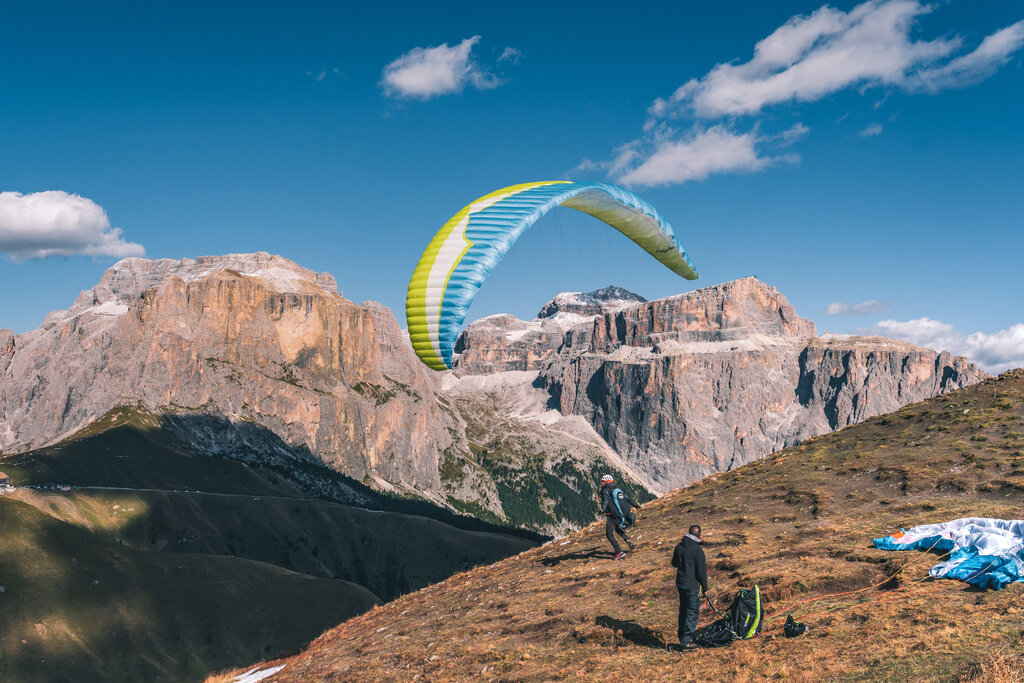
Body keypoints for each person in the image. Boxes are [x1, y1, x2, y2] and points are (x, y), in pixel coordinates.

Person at [671, 524, 708, 650]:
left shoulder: (679, 546)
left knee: (684, 610)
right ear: (699, 535)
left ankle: (682, 637)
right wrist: (706, 588)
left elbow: (674, 563)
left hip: (681, 584)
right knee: (692, 612)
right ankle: (686, 642)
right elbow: (701, 572)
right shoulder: (697, 550)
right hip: (692, 585)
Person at [598, 474, 640, 560]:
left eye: (602, 481)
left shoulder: (605, 490)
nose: (601, 483)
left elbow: (605, 501)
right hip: (621, 516)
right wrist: (635, 504)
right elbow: (627, 498)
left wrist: (602, 509)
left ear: (607, 482)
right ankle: (626, 538)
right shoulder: (617, 490)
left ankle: (619, 552)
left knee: (609, 534)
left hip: (613, 516)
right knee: (617, 528)